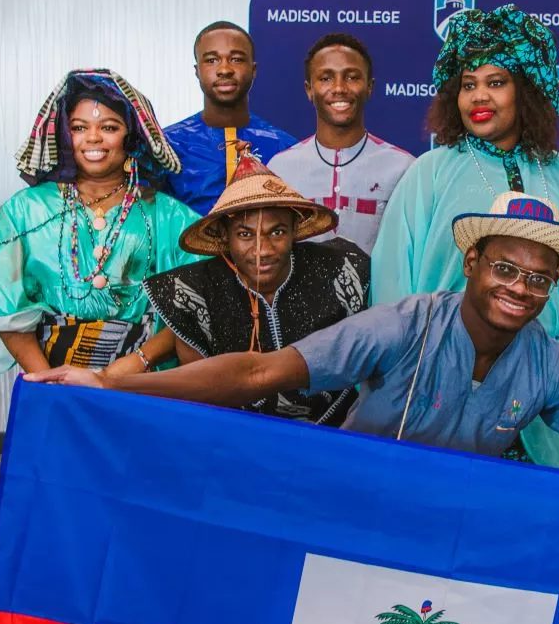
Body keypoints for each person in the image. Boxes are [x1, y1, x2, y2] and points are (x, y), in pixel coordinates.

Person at [36, 193, 559, 530]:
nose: (519, 288)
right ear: (470, 265)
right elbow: (258, 372)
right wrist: (116, 386)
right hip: (349, 510)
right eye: (505, 268)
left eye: (538, 279)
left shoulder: (546, 367)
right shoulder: (403, 323)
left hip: (453, 529)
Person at [370, 5, 559, 473]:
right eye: (468, 84)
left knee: (546, 513)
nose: (478, 96)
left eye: (496, 82)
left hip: (556, 375)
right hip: (445, 373)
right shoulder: (431, 171)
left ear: (525, 89)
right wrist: (400, 367)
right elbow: (392, 277)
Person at [0, 69, 202, 377]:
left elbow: (196, 305)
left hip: (141, 384)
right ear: (65, 136)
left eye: (109, 127)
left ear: (129, 137)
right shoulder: (27, 210)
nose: (93, 138)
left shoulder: (166, 214)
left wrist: (126, 368)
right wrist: (47, 380)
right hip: (48, 379)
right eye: (79, 127)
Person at [143, 149, 369, 426]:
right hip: (236, 442)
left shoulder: (342, 269)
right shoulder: (192, 293)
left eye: (277, 232)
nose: (262, 250)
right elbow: (200, 397)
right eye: (245, 234)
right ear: (224, 236)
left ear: (294, 229)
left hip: (339, 437)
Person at [266, 32, 415, 254]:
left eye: (352, 77)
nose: (339, 88)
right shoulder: (280, 169)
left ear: (369, 87)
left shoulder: (404, 168)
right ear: (309, 89)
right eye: (325, 78)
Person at [163, 21, 298, 214]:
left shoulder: (285, 148)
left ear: (254, 70)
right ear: (197, 71)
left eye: (236, 59)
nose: (224, 69)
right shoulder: (169, 147)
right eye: (211, 60)